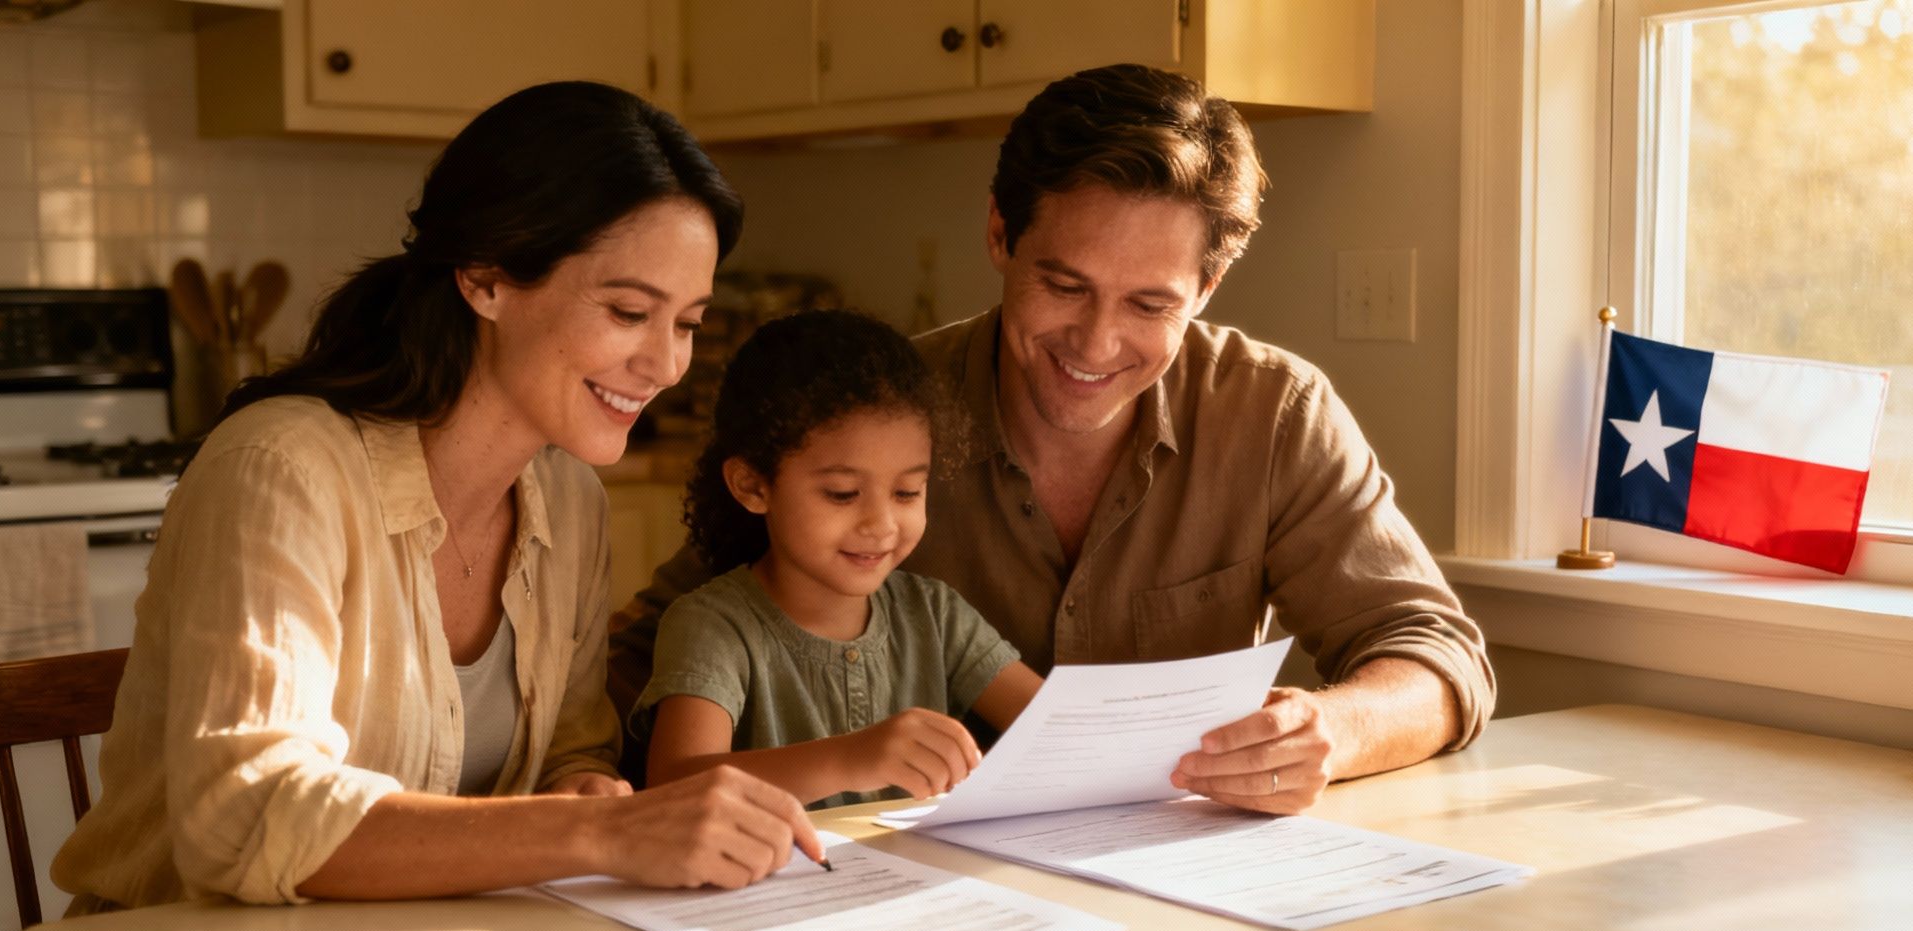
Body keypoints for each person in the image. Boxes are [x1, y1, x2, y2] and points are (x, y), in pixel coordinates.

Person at [0, 82, 822, 931]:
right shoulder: (283, 468)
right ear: (486, 277)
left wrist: (587, 789)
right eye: (628, 312)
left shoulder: (567, 499)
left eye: (687, 324)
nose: (664, 364)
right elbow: (247, 816)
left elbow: (569, 749)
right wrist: (600, 830)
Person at [612, 64, 1496, 815]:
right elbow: (649, 649)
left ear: (1209, 285)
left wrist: (1331, 730)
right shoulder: (878, 412)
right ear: (1000, 234)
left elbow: (1439, 657)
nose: (1096, 345)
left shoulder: (1274, 414)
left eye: (1149, 304)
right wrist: (584, 785)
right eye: (1065, 286)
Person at [635, 309, 1042, 809]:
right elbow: (673, 786)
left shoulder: (936, 616)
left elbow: (1060, 728)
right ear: (753, 486)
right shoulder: (713, 627)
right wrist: (850, 758)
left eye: (907, 492)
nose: (882, 524)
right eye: (843, 494)